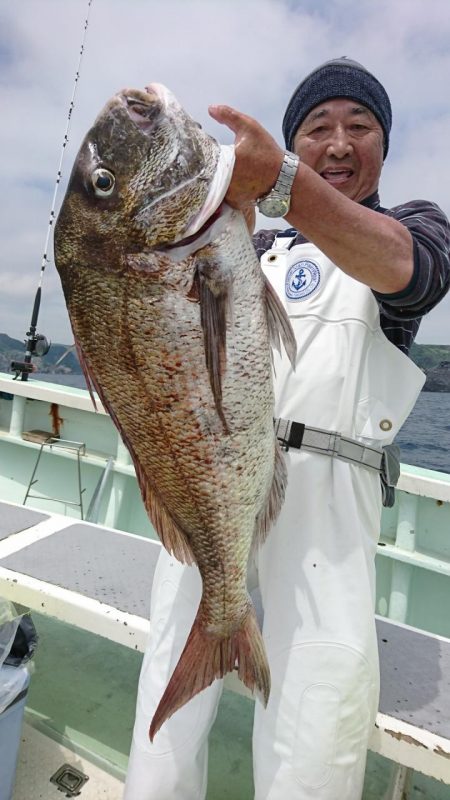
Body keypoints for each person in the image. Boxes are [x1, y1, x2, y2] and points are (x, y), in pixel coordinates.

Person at [124, 58, 450, 800]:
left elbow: (410, 270)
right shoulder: (253, 245)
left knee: (314, 729)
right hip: (211, 476)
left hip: (327, 512)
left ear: (385, 145)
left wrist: (279, 184)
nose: (338, 143)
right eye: (317, 128)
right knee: (161, 721)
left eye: (358, 126)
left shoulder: (413, 227)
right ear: (296, 143)